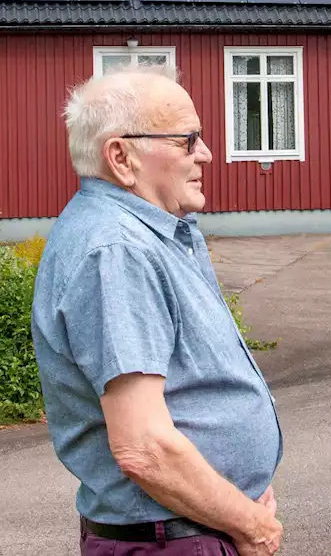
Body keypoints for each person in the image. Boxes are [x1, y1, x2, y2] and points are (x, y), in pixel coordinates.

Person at [31, 67, 284, 556]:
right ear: (121, 157)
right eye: (187, 140)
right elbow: (143, 447)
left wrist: (238, 493)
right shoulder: (117, 252)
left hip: (195, 528)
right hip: (174, 542)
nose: (205, 154)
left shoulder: (153, 231)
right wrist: (250, 522)